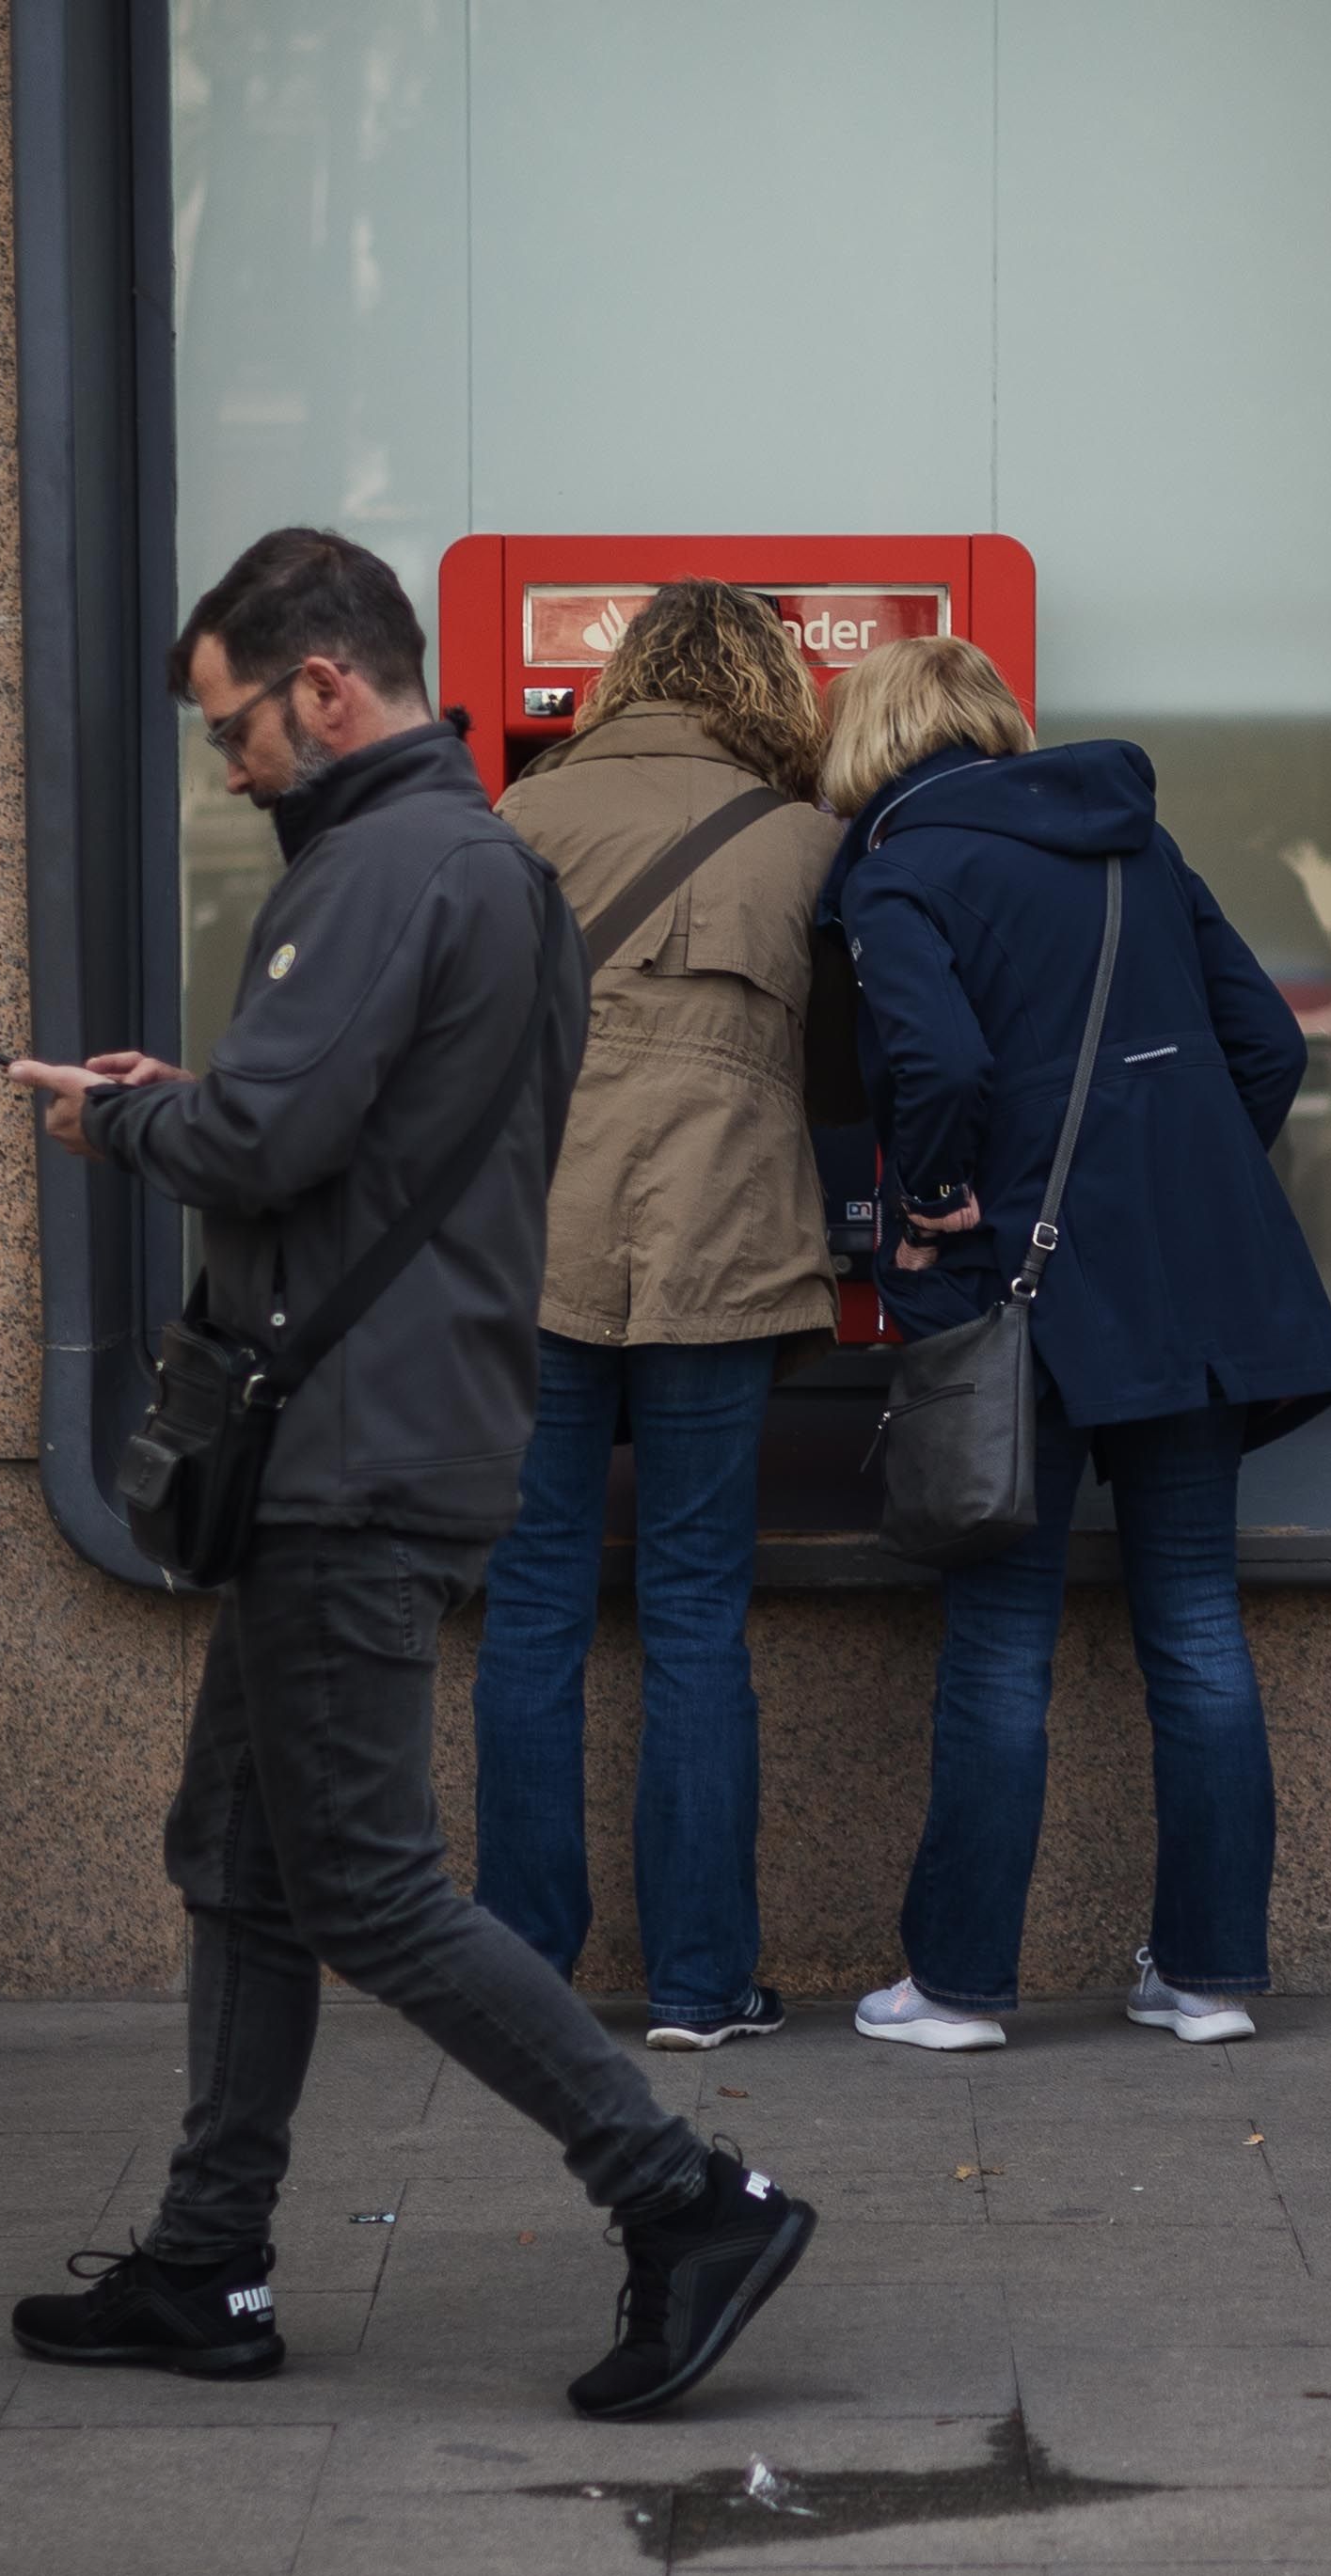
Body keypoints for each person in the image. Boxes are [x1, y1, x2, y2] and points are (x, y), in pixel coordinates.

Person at [0, 528, 811, 2419]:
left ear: (326, 688)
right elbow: (357, 1131)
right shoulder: (482, 863)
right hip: (387, 1420)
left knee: (361, 1884)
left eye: (235, 728)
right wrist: (185, 1106)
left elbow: (270, 1130)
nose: (229, 768)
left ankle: (683, 2195)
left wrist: (122, 1120)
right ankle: (207, 2259)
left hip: (344, 1451)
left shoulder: (380, 866)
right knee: (240, 1858)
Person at [815, 636, 1331, 2055]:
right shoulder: (1137, 845)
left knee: (1001, 1640)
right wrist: (1167, 1184)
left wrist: (930, 1198)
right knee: (1193, 1621)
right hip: (1190, 1296)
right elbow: (1270, 1049)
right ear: (991, 723)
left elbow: (943, 1065)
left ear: (869, 742)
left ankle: (958, 1989)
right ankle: (1210, 1976)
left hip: (1021, 1302)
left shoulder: (898, 869)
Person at [474, 580, 842, 2054]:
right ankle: (699, 1987)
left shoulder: (516, 819)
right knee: (699, 1616)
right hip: (722, 1260)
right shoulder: (809, 841)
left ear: (624, 678)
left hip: (535, 1258)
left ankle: (515, 1983)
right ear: (767, 686)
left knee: (533, 1614)